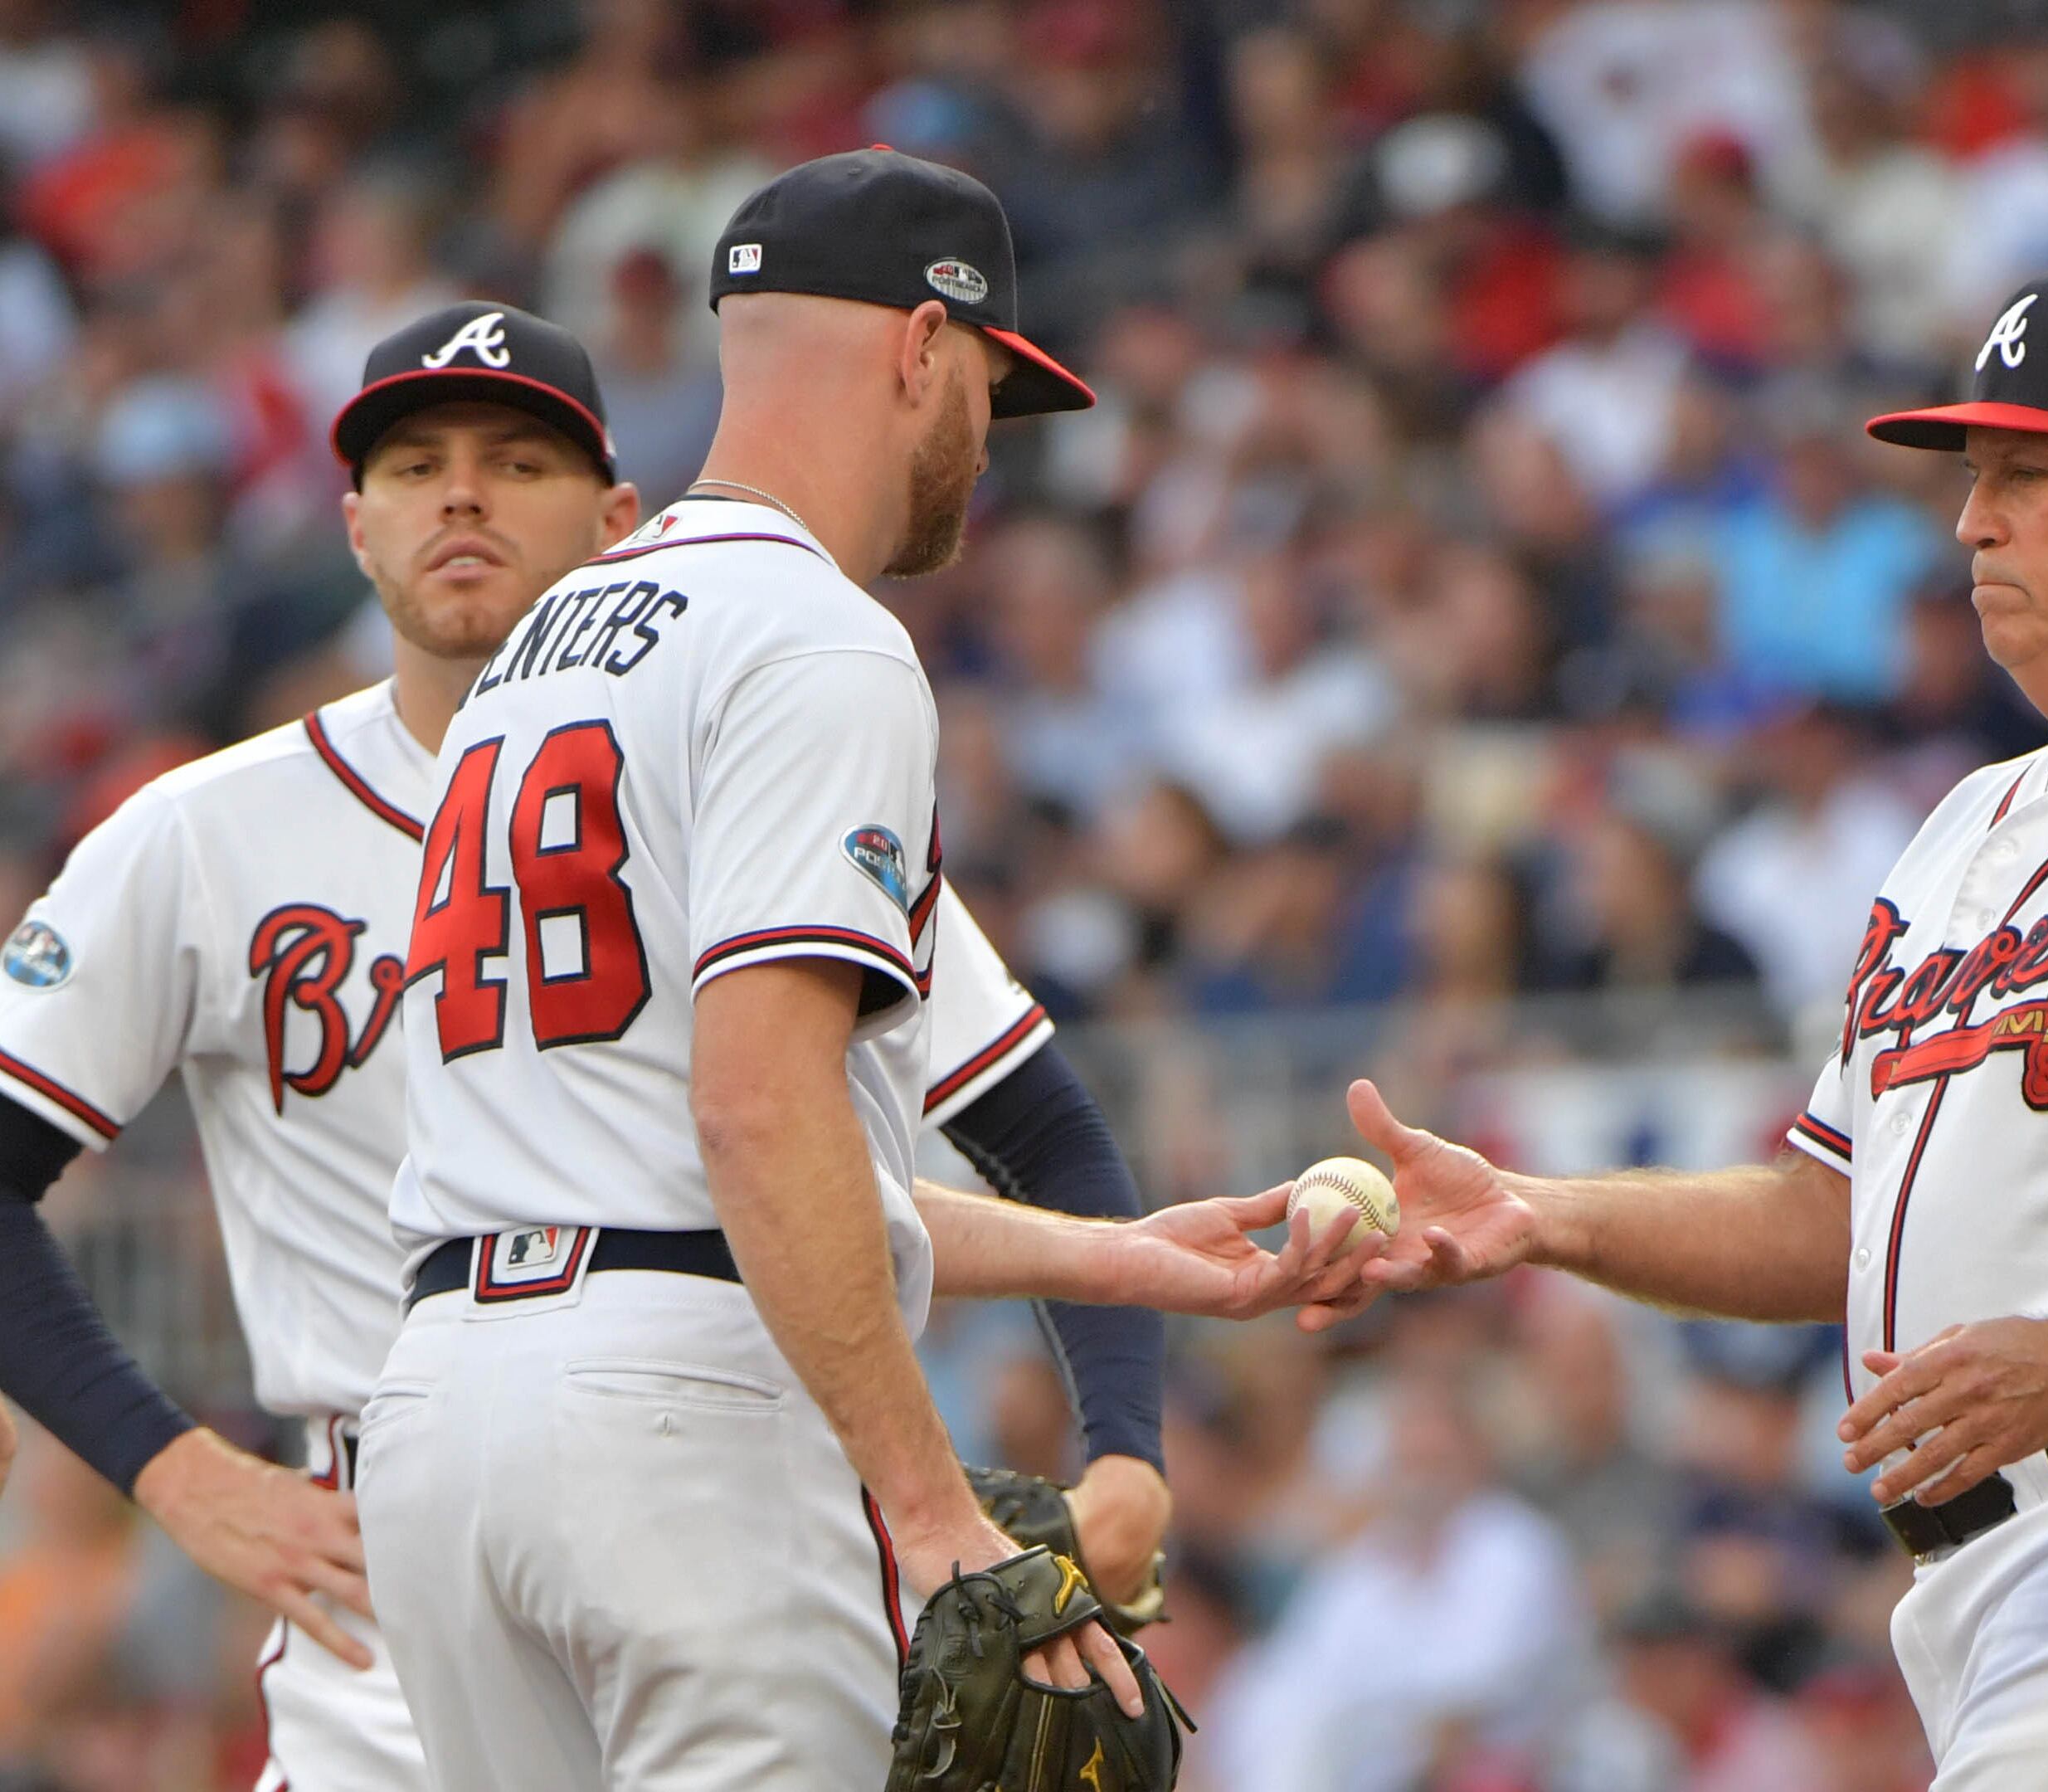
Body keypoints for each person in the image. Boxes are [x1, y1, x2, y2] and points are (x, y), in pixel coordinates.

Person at [0, 297, 1200, 1788]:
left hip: (699, 1466)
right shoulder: (204, 831)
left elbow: (1048, 1140)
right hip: (388, 1552)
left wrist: (1129, 1447)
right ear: (355, 527)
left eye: (517, 462)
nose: (460, 495)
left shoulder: (746, 774)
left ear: (620, 519)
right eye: (414, 464)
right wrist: (173, 1473)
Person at [1310, 261, 2048, 1789]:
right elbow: (1825, 1215)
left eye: (2031, 475)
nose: (1973, 521)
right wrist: (1544, 1215)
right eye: (1974, 479)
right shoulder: (1966, 824)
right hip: (1990, 1573)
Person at [353, 152, 1346, 1790]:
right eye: (987, 389)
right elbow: (754, 1117)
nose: (981, 444)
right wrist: (932, 1511)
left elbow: (689, 1158)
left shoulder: (538, 650)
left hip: (445, 1415)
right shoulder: (816, 635)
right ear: (919, 351)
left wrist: (1129, 1261)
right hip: (684, 1422)